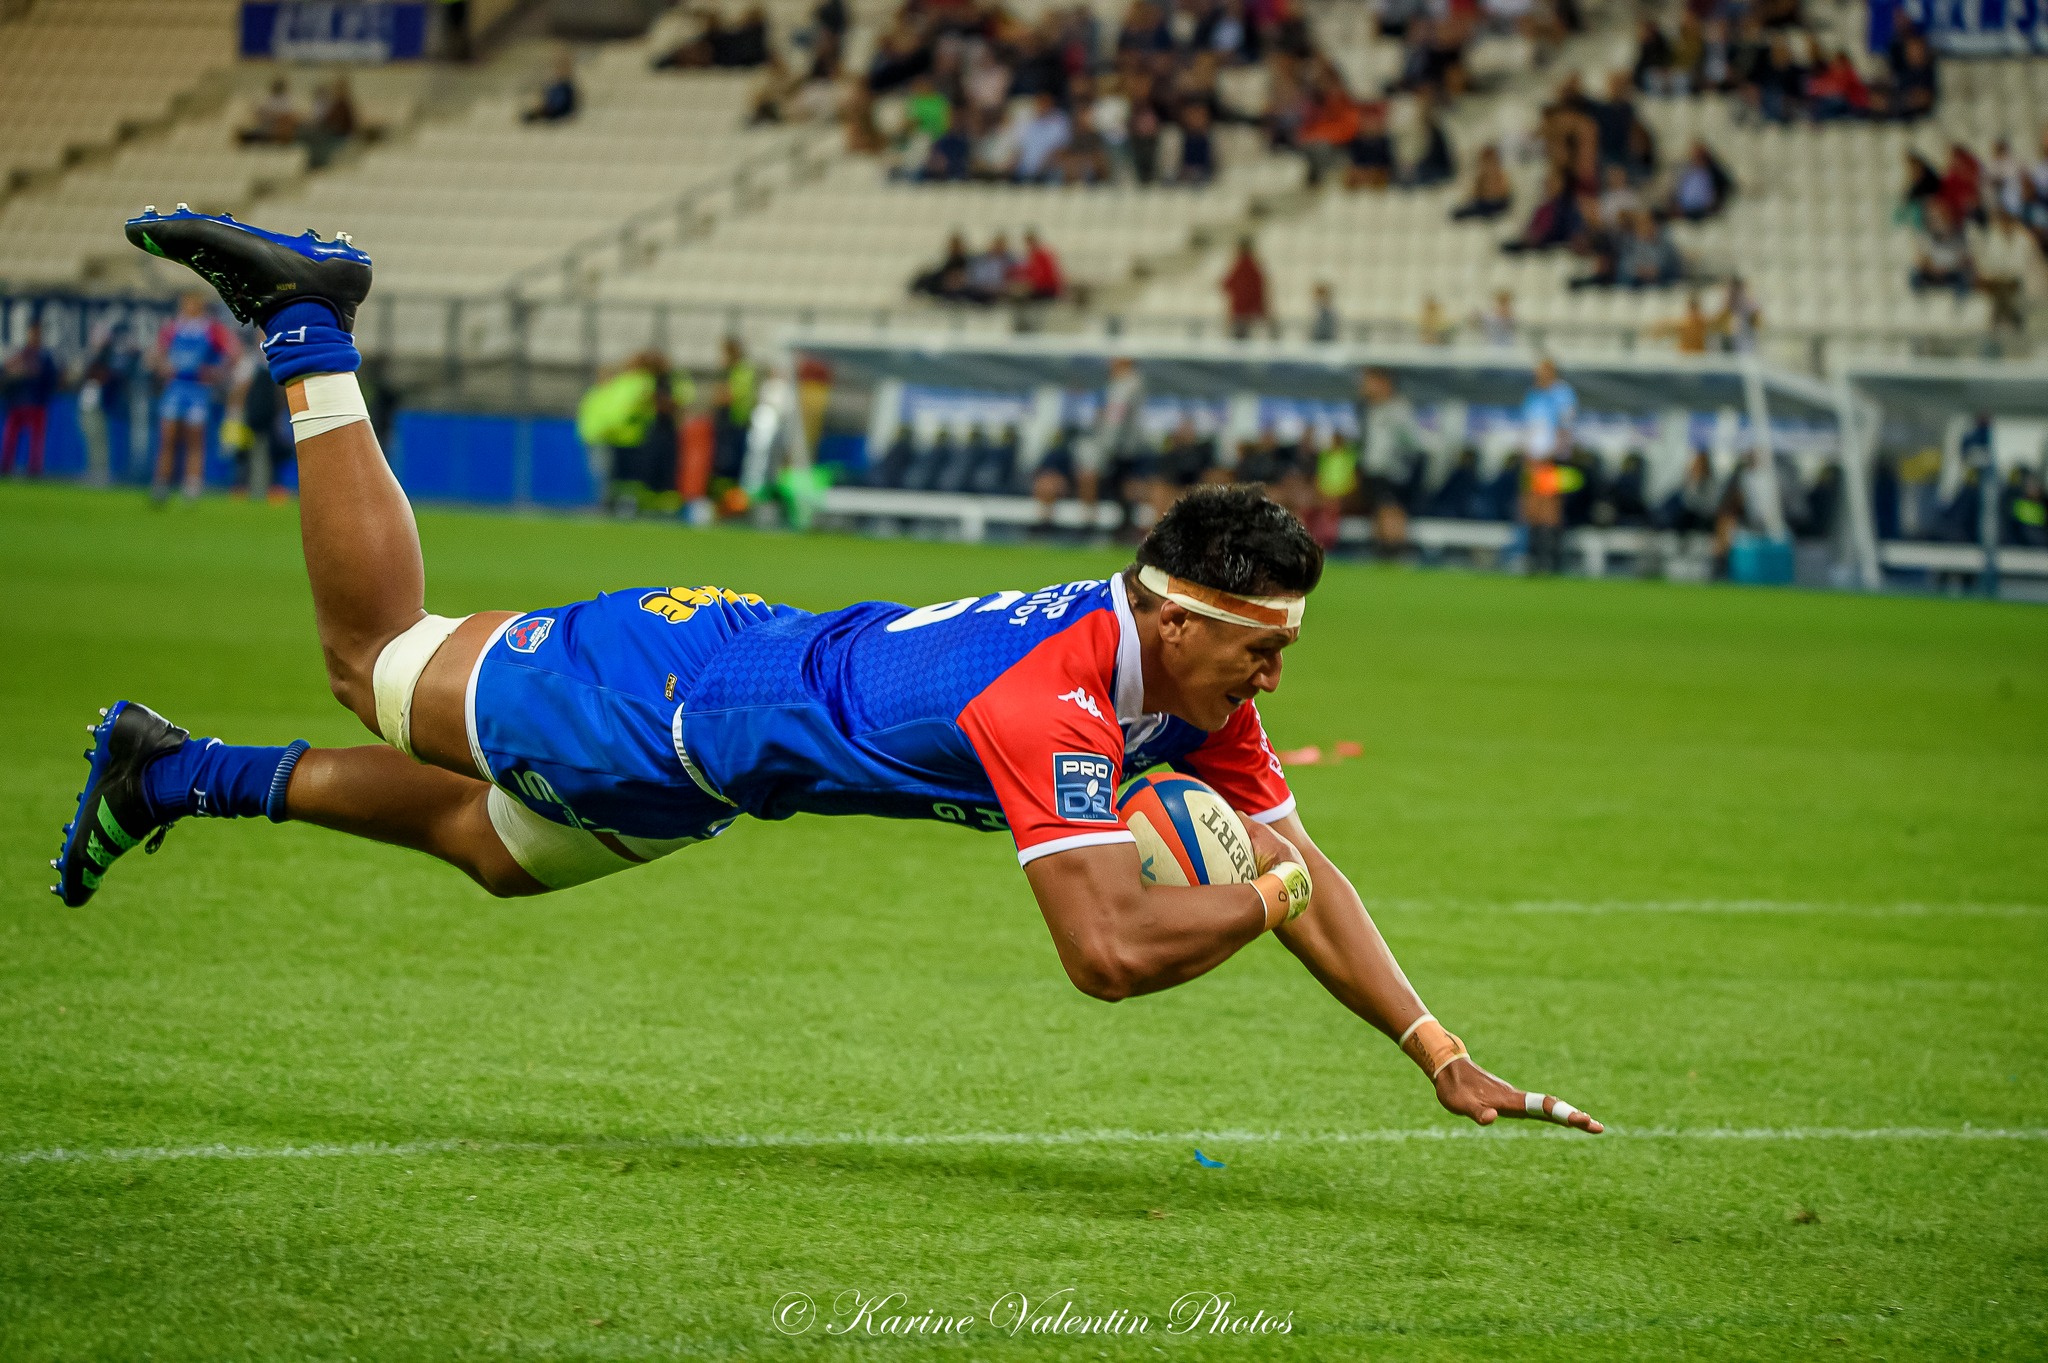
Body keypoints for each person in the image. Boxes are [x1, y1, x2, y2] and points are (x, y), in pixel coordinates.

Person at [66, 209, 1603, 1141]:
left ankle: (165, 769)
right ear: (1181, 621)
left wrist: (1438, 1049)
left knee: (493, 848)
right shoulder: (1052, 698)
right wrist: (1258, 899)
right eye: (1261, 651)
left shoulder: (1181, 686)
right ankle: (308, 323)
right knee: (372, 662)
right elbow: (1108, 952)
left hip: (733, 719)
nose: (1271, 685)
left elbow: (1298, 853)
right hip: (662, 702)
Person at [150, 292, 241, 503]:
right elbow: (158, 352)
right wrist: (163, 366)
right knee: (168, 437)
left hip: (198, 390)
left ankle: (192, 486)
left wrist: (216, 372)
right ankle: (161, 483)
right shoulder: (174, 327)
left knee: (195, 439)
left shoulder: (211, 328)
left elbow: (234, 353)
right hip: (175, 387)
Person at [1358, 368, 1428, 557]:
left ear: (1384, 383)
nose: (1363, 386)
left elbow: (1413, 442)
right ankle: (1383, 551)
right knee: (1380, 513)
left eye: (1369, 381)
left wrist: (1396, 458)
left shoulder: (1398, 409)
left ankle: (1396, 551)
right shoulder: (1370, 409)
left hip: (1391, 473)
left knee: (1390, 512)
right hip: (1374, 473)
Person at [1518, 357, 1576, 573]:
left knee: (1550, 505)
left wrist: (1554, 454)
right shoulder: (1533, 395)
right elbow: (1528, 426)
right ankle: (1533, 555)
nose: (1538, 376)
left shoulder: (1562, 394)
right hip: (1533, 459)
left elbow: (1565, 427)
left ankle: (1551, 558)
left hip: (1551, 458)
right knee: (1531, 506)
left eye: (1543, 372)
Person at [1, 321, 60, 478]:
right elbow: (5, 376)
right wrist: (17, 373)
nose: (34, 336)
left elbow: (51, 380)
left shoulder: (45, 357)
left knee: (37, 439)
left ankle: (34, 470)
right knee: (10, 437)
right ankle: (5, 468)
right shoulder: (19, 354)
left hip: (37, 403)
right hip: (17, 403)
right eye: (32, 333)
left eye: (37, 333)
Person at [1221, 237, 1270, 339]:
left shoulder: (1240, 266)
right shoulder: (1255, 267)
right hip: (1250, 314)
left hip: (1241, 314)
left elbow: (1226, 284)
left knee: (1239, 342)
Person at [1451, 143, 1512, 220]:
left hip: (1495, 205)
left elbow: (1502, 194)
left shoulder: (1500, 175)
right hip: (1483, 203)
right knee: (1459, 212)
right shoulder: (1482, 175)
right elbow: (1475, 193)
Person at [238, 79, 299, 146]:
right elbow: (263, 113)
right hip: (270, 126)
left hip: (277, 126)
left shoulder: (287, 100)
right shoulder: (270, 99)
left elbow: (286, 115)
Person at [523, 53, 579, 124]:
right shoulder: (556, 88)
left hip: (558, 107)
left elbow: (564, 104)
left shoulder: (564, 88)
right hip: (556, 106)